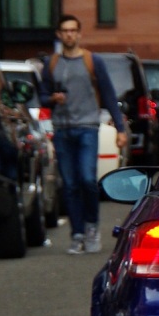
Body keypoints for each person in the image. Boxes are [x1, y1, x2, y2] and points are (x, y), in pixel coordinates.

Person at [40, 14, 129, 255]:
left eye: (73, 31)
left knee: (88, 179)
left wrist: (120, 128)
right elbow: (42, 96)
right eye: (64, 31)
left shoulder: (93, 61)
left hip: (88, 126)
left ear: (79, 34)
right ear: (59, 35)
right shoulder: (51, 63)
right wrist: (52, 99)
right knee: (69, 184)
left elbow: (109, 94)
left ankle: (92, 227)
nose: (69, 35)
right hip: (62, 129)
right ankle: (77, 233)